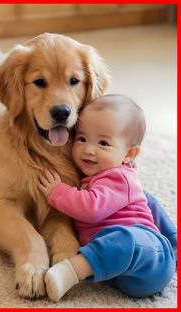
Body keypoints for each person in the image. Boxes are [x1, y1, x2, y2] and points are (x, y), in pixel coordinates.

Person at [39, 94, 176, 302]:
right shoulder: (94, 178)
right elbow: (153, 208)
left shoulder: (119, 177)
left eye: (103, 143)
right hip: (116, 273)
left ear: (129, 154)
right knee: (144, 204)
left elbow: (91, 209)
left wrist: (58, 192)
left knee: (125, 239)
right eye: (82, 139)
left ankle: (71, 270)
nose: (88, 149)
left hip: (150, 261)